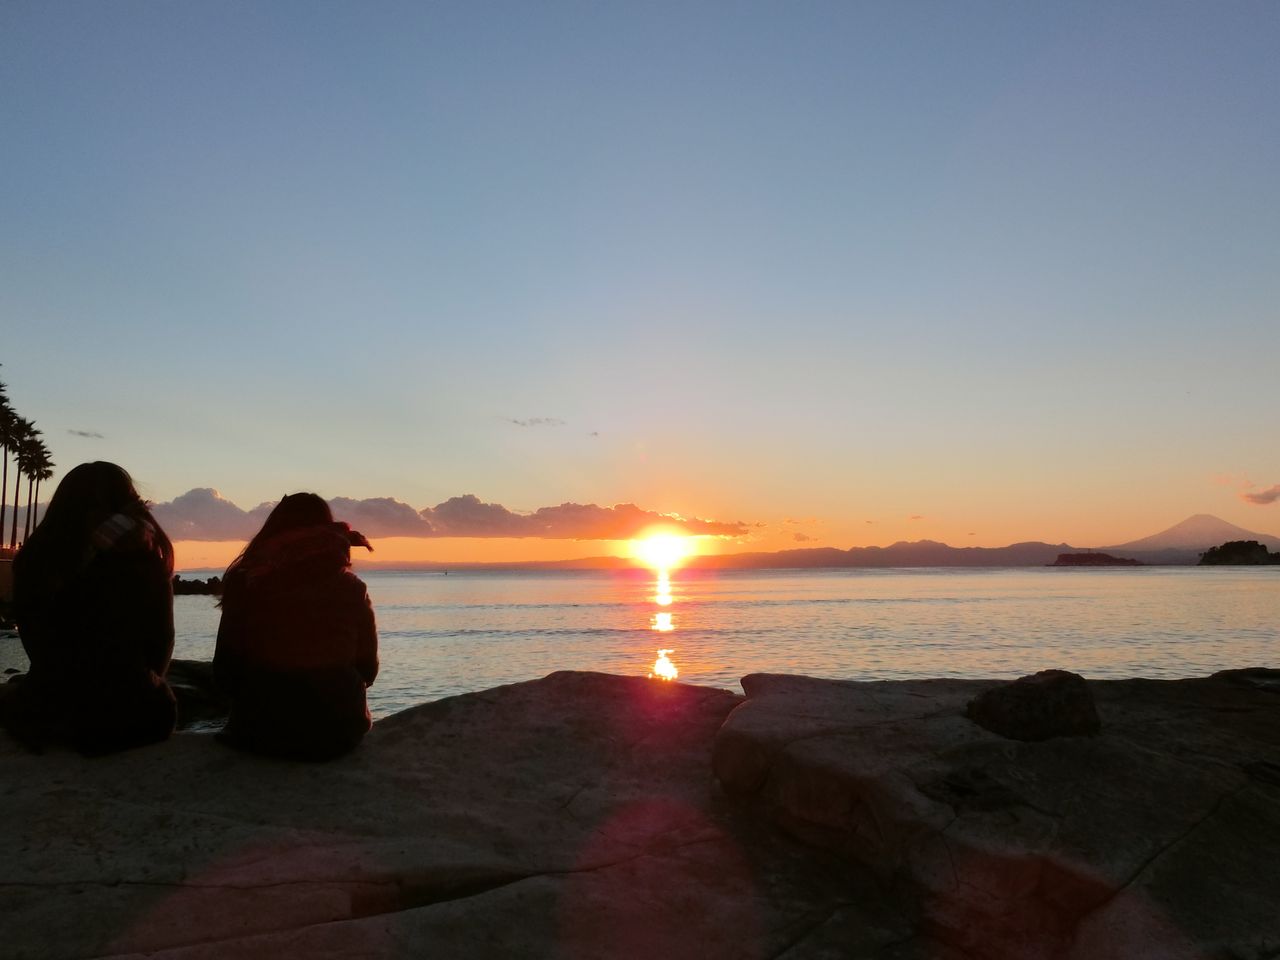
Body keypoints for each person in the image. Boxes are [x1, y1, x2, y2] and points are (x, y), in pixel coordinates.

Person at [1, 462, 177, 755]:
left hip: (48, 713)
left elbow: (35, 641)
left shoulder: (36, 560)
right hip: (135, 718)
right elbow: (162, 643)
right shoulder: (144, 561)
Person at [214, 493, 378, 760]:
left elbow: (225, 672)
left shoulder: (248, 581)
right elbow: (368, 670)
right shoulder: (352, 587)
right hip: (338, 731)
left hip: (259, 732)